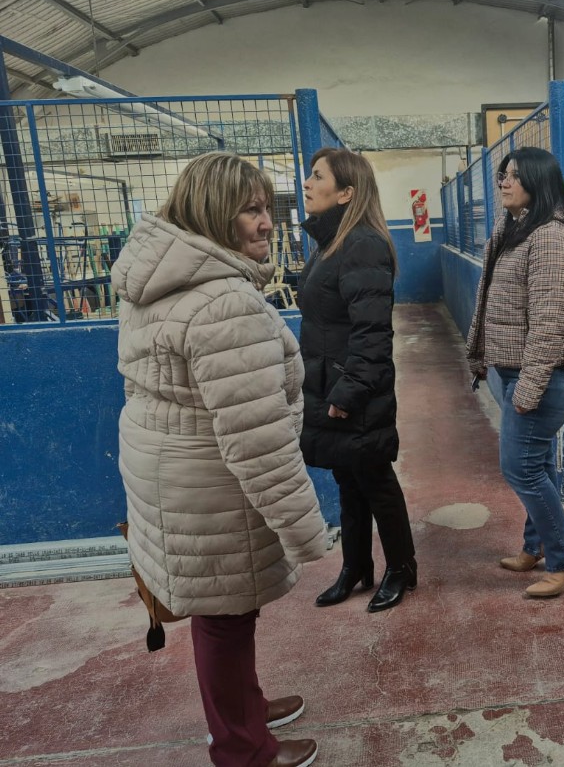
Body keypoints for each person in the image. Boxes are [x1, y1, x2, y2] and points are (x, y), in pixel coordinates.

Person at [111, 152, 326, 767]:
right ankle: (244, 749)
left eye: (268, 208)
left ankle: (246, 708)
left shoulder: (156, 282)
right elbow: (258, 440)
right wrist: (306, 531)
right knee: (224, 617)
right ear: (213, 215)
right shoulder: (222, 303)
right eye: (251, 210)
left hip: (173, 474)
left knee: (225, 606)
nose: (267, 223)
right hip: (211, 485)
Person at [297, 147, 417, 613]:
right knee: (348, 480)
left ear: (346, 192)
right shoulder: (331, 244)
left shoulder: (362, 243)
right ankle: (356, 567)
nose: (307, 182)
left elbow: (372, 333)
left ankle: (401, 568)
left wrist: (346, 394)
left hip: (354, 390)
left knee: (376, 482)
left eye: (318, 176)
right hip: (330, 384)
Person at [466, 146, 564, 599]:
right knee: (539, 465)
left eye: (515, 175)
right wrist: (483, 357)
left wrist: (528, 389)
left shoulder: (552, 238)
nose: (504, 181)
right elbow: (490, 302)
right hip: (515, 371)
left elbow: (548, 324)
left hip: (544, 376)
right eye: (504, 174)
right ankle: (536, 547)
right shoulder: (516, 229)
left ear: (538, 182)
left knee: (519, 468)